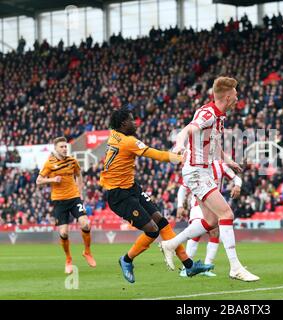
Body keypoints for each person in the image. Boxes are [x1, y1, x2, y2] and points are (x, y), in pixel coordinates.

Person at [160, 77, 260, 282]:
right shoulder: (208, 113)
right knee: (226, 213)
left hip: (202, 170)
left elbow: (215, 144)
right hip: (196, 171)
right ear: (228, 96)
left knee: (212, 220)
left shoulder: (219, 117)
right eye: (236, 95)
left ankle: (170, 244)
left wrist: (229, 161)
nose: (238, 98)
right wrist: (179, 144)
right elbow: (187, 130)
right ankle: (235, 267)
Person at [99, 107, 213, 283]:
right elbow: (156, 155)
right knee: (152, 230)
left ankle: (189, 265)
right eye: (131, 120)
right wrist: (181, 159)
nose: (135, 123)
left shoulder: (114, 135)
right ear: (123, 124)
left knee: (161, 221)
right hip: (119, 195)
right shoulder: (128, 141)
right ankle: (126, 260)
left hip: (131, 187)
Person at [36, 137, 96, 274]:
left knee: (86, 224)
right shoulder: (49, 163)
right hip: (59, 201)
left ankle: (87, 252)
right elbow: (38, 181)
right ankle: (68, 259)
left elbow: (79, 174)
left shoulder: (72, 161)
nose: (64, 149)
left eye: (65, 146)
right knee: (63, 233)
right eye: (62, 147)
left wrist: (80, 190)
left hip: (74, 198)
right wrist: (52, 179)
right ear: (55, 148)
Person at [178, 159, 242, 277]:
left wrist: (237, 185)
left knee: (215, 233)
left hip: (214, 204)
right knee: (196, 233)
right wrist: (180, 205)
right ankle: (185, 268)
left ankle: (207, 268)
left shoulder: (221, 166)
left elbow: (237, 178)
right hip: (198, 203)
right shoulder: (196, 165)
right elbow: (183, 188)